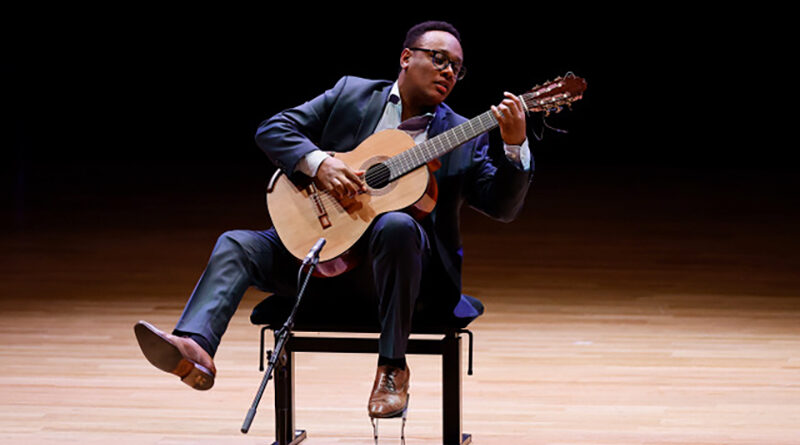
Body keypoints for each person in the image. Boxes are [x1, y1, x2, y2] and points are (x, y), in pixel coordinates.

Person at [134, 20, 532, 419]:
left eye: (457, 68)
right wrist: (320, 164)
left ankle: (392, 370)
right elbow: (274, 129)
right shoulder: (352, 94)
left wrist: (514, 146)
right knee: (236, 244)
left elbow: (502, 207)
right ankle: (195, 348)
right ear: (406, 57)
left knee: (396, 225)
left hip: (400, 281)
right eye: (439, 59)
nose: (449, 72)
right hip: (322, 260)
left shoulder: (463, 134)